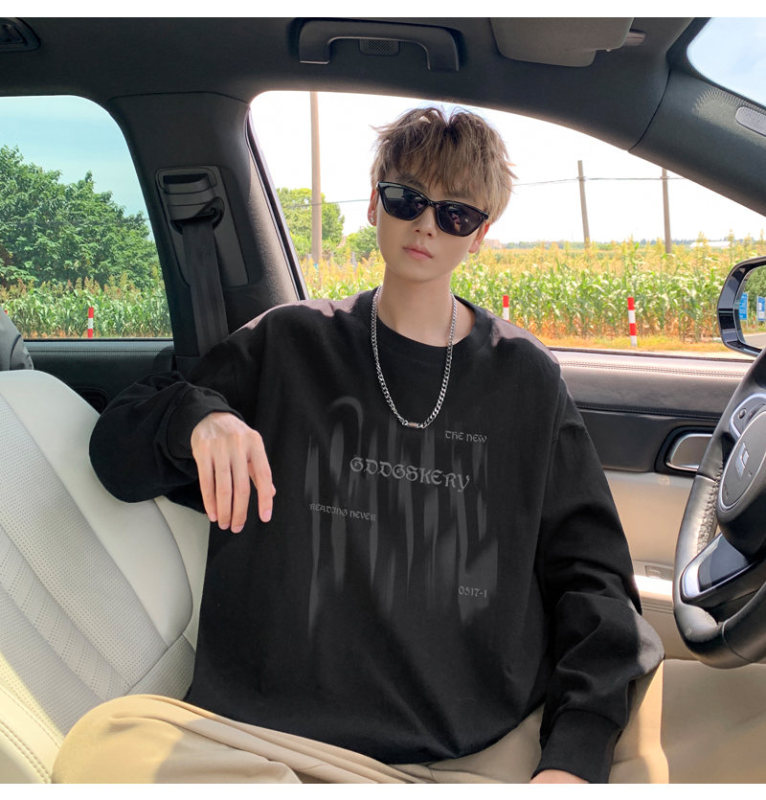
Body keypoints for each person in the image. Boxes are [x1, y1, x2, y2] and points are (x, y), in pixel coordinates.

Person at [52, 106, 664, 784]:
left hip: (471, 749)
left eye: (456, 213)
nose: (427, 224)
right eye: (407, 199)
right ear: (375, 204)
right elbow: (117, 454)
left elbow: (592, 577)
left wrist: (574, 758)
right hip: (264, 742)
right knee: (102, 754)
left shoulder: (525, 379)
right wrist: (199, 418)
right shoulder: (288, 344)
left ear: (480, 235)